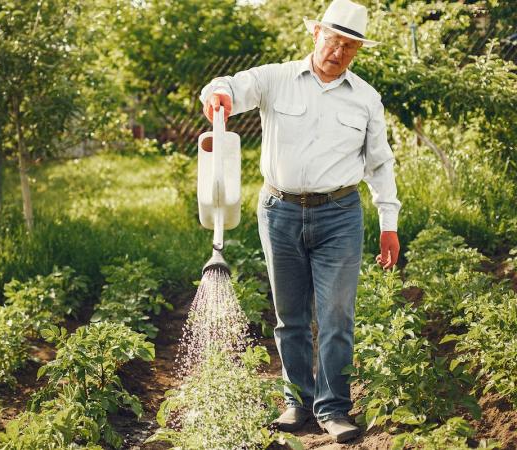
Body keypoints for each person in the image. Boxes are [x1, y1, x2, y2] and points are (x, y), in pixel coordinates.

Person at [199, 0, 401, 443]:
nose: (339, 52)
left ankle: (332, 408)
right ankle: (296, 401)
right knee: (289, 315)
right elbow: (230, 85)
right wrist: (220, 96)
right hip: (280, 212)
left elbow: (380, 164)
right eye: (333, 41)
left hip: (340, 215)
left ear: (358, 51)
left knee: (335, 316)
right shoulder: (276, 79)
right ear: (316, 35)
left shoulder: (366, 98)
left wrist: (390, 222)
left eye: (350, 47)